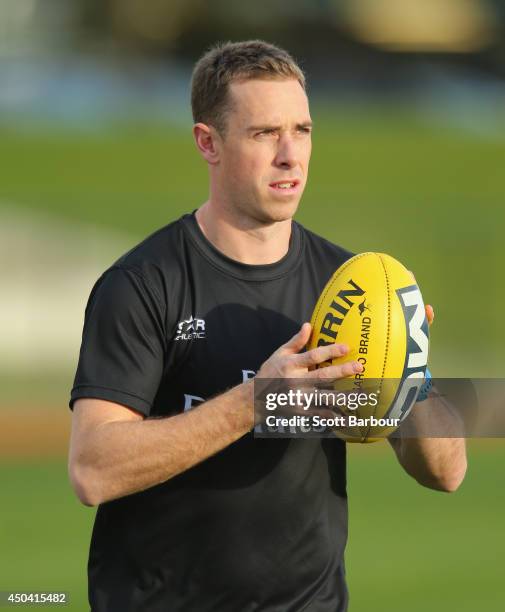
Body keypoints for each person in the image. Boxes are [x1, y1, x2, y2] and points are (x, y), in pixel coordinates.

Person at [68, 40, 467, 612]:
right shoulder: (144, 284)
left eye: (302, 130)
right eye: (263, 134)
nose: (291, 155)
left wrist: (410, 375)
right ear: (209, 142)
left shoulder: (350, 287)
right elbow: (92, 471)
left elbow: (448, 472)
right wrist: (256, 402)